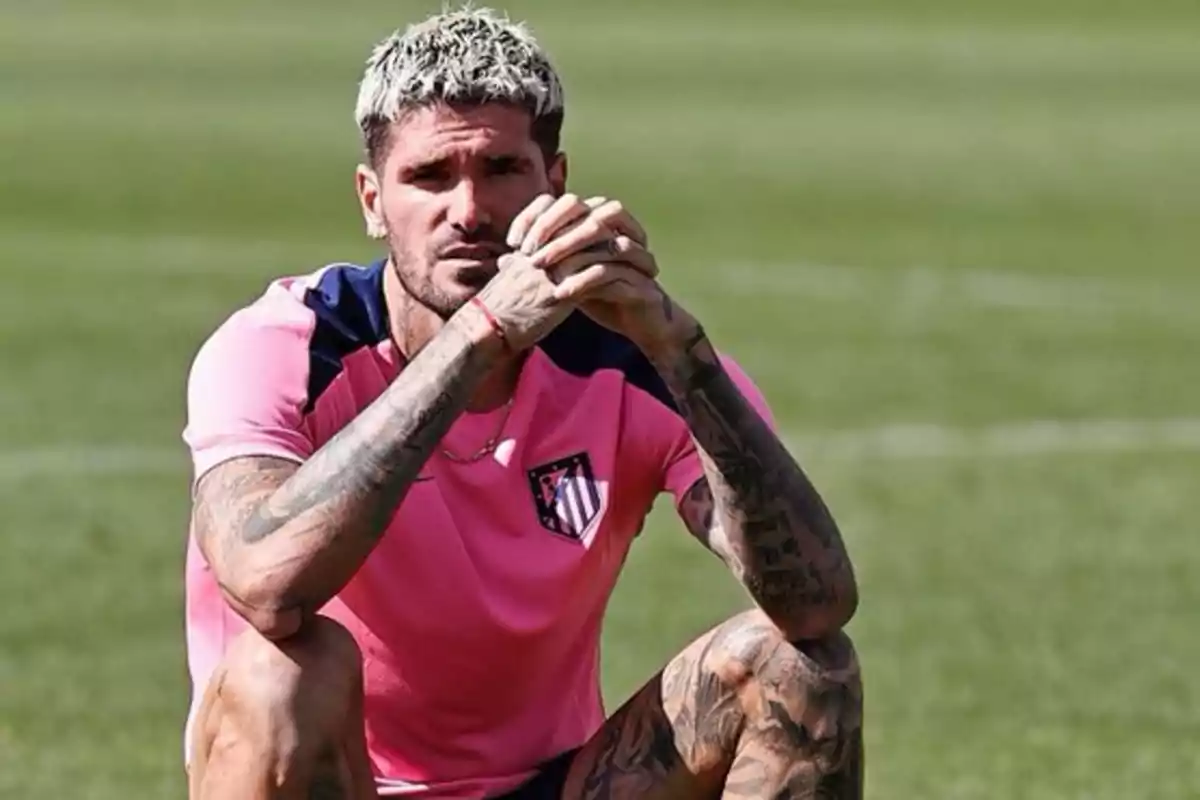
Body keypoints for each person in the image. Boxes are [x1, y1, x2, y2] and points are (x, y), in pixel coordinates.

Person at [181, 7, 862, 799]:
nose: (468, 211)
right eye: (430, 177)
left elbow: (816, 603)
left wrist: (681, 352)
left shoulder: (632, 361)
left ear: (555, 185)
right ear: (372, 201)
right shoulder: (288, 347)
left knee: (797, 668)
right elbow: (267, 582)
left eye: (501, 170)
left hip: (558, 784)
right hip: (348, 782)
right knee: (285, 670)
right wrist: (482, 335)